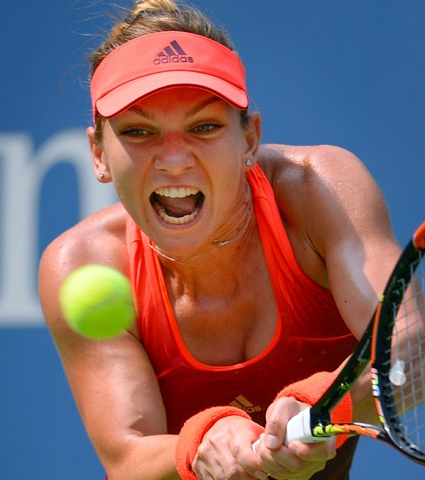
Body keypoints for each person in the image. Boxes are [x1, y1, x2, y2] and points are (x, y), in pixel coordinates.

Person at [39, 1, 403, 478]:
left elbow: (409, 357)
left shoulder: (319, 191)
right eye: (139, 131)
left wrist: (320, 402)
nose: (173, 160)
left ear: (250, 139)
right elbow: (126, 457)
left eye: (204, 127)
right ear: (98, 153)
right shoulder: (85, 263)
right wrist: (201, 441)